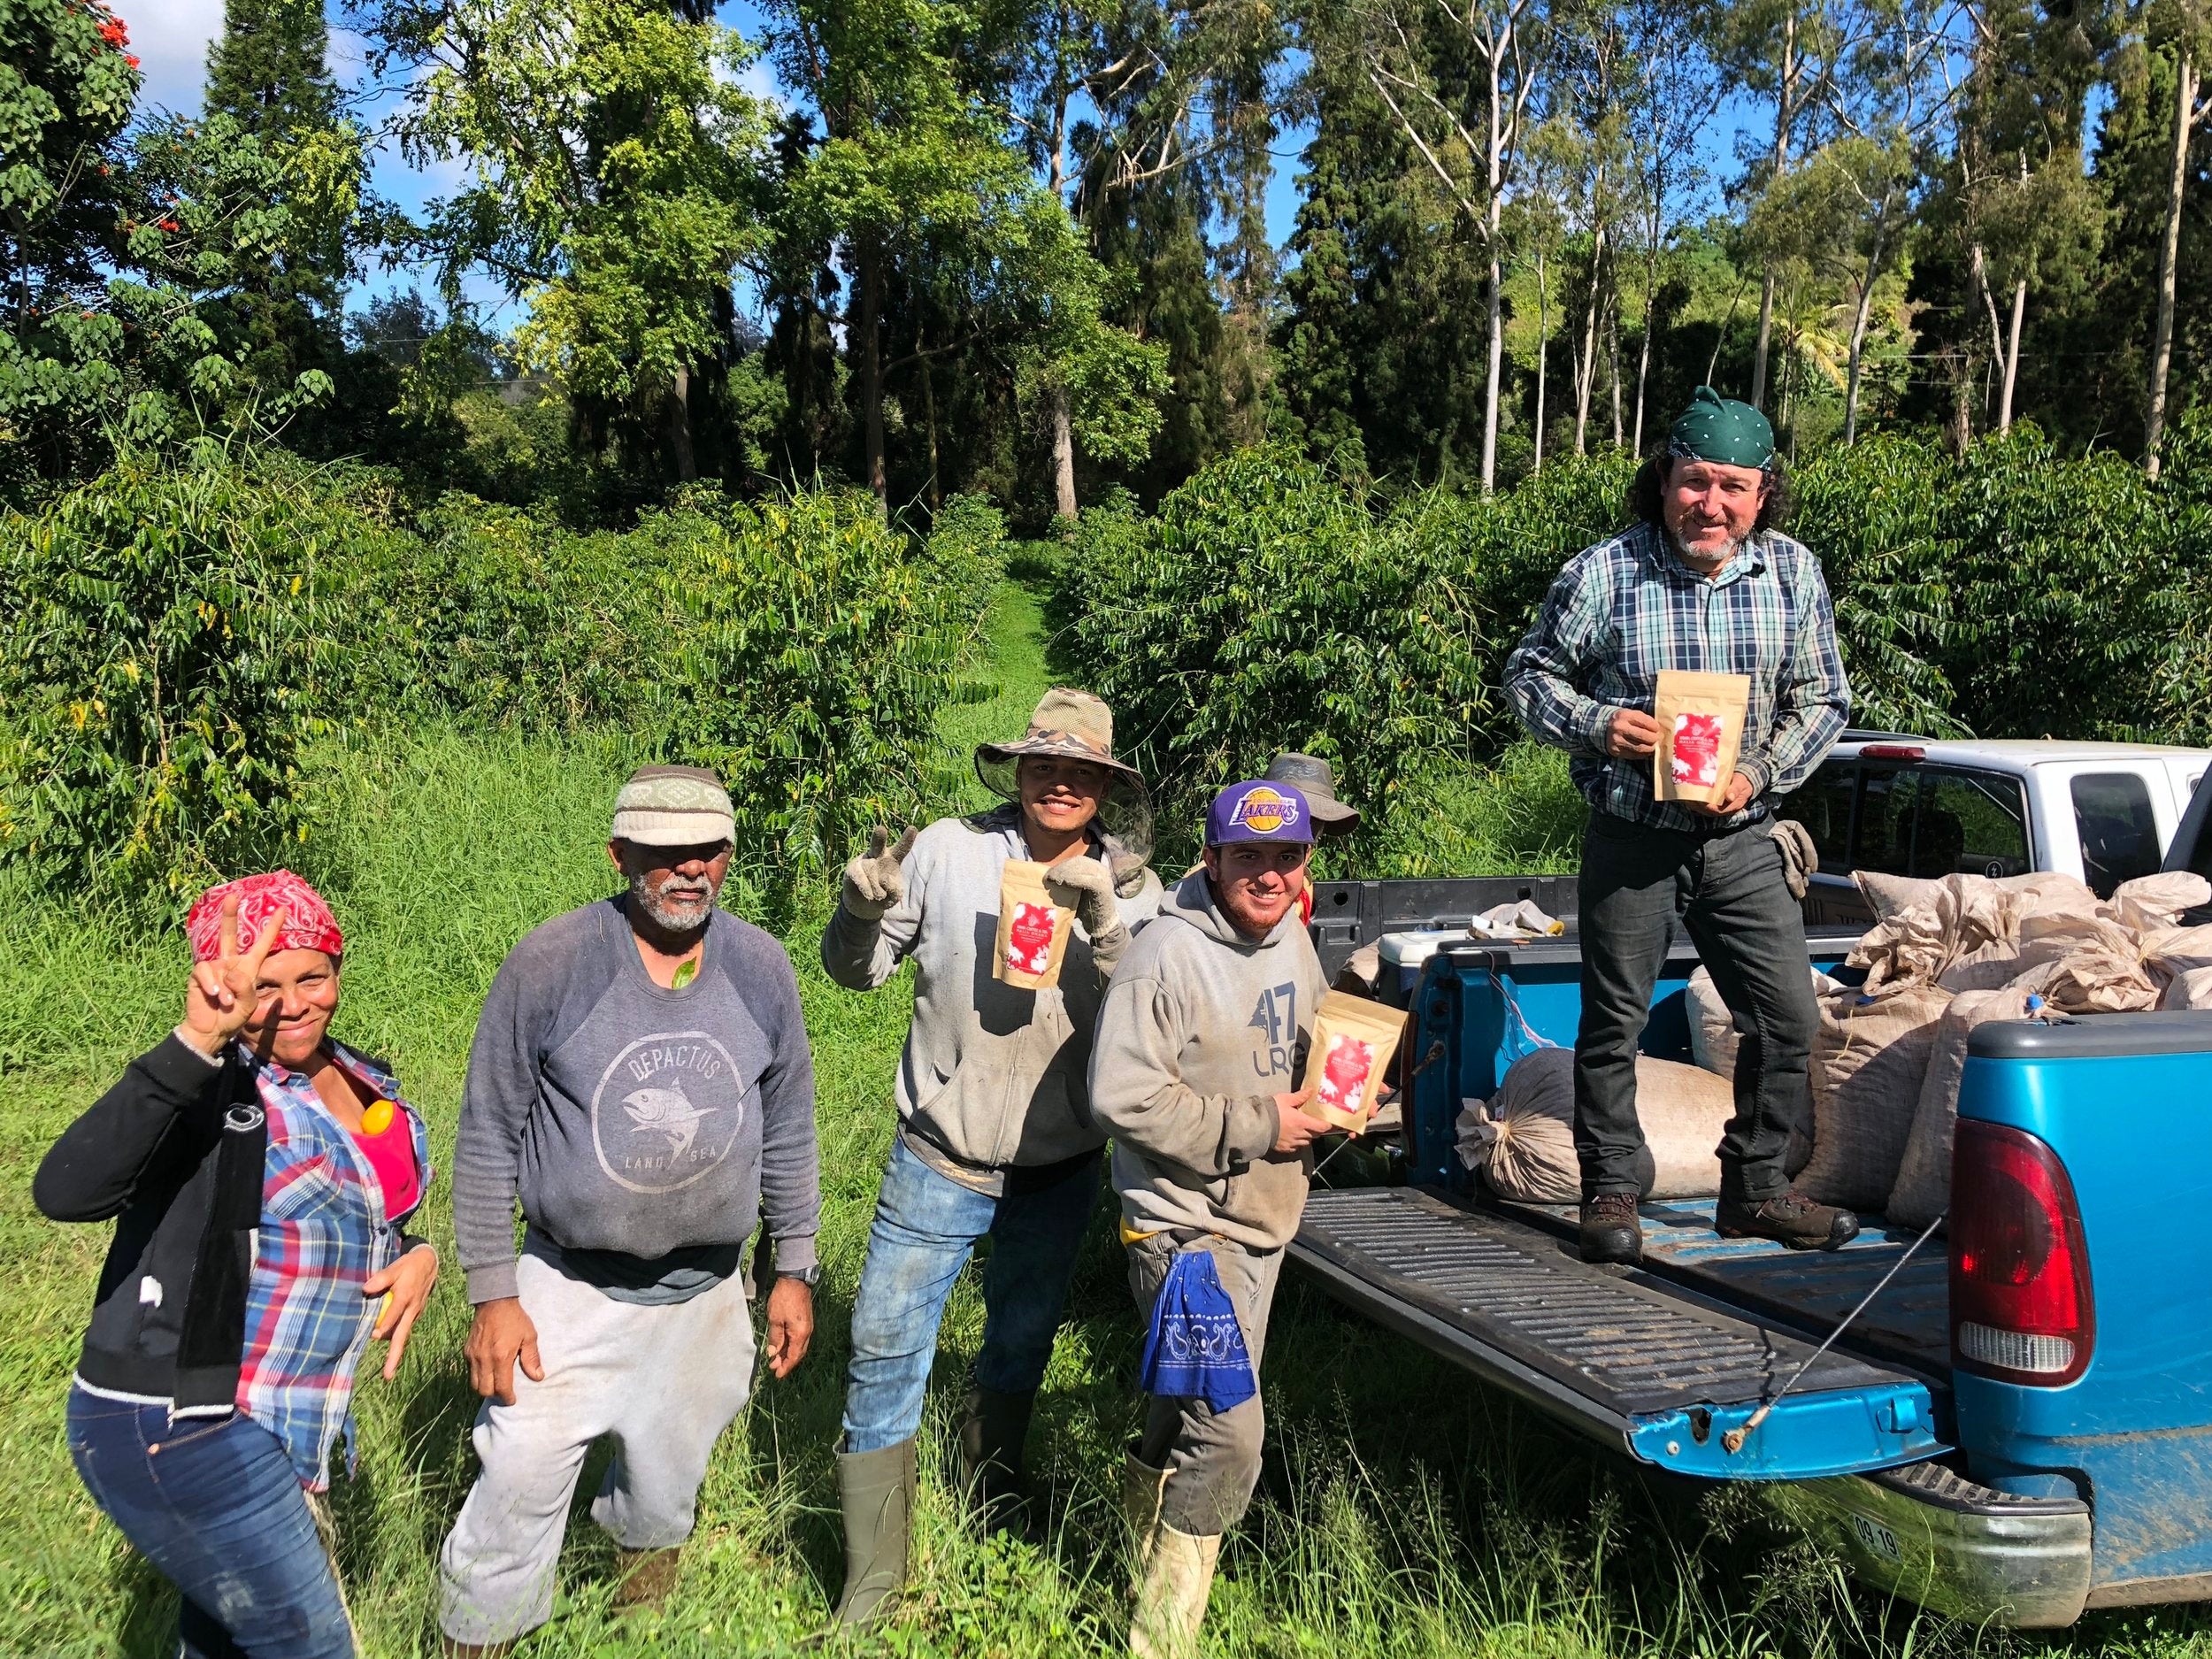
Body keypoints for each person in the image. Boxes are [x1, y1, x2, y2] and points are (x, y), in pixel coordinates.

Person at [437, 765, 821, 1655]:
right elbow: (489, 1131)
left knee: (663, 1486)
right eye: (662, 853)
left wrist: (792, 1269)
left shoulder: (760, 968)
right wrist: (493, 1293)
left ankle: (639, 1627)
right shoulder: (554, 963)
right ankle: (476, 1637)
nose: (688, 871)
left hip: (705, 1296)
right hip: (566, 1289)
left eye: (707, 852)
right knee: (520, 1473)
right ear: (620, 856)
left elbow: (792, 1130)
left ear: (727, 856)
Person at [818, 687, 1161, 1624]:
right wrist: (856, 911)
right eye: (1044, 763)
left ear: (1102, 785)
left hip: (1057, 1167)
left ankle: (993, 1494)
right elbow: (855, 971)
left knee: (1020, 1337)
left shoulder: (1133, 885)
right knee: (885, 1344)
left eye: (1081, 770)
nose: (1060, 781)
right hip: (939, 1150)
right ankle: (872, 1579)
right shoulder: (948, 850)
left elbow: (1152, 1024)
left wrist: (1105, 924)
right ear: (1018, 768)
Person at [36, 871, 438, 1659]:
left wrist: (416, 1254)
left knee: (224, 1644)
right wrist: (196, 1042)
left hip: (283, 1420)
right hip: (183, 1418)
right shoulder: (218, 1091)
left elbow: (363, 1214)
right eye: (263, 985)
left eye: (311, 976)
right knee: (308, 1645)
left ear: (338, 970)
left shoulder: (359, 1077)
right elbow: (66, 1189)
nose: (291, 1004)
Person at [1503, 386, 1856, 1266]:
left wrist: (1758, 772)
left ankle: (1756, 1189)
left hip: (1741, 840)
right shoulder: (1605, 571)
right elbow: (1528, 676)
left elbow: (1823, 700)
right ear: (1663, 480)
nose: (1712, 504)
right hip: (1632, 834)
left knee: (1786, 1021)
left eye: (1733, 486)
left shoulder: (1792, 572)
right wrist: (1597, 726)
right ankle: (1611, 1190)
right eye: (1695, 482)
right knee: (1612, 1019)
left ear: (1763, 493)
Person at [1088, 780, 1331, 1659]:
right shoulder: (1164, 955)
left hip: (1261, 1225)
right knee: (1229, 1436)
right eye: (1248, 857)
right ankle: (1159, 1639)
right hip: (1183, 1231)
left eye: (1285, 857)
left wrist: (1351, 1080)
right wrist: (1265, 1123)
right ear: (1213, 856)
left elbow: (1303, 1041)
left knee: (1180, 1412)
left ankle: (1128, 1554)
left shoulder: (1292, 935)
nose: (1268, 876)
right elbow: (1120, 1096)